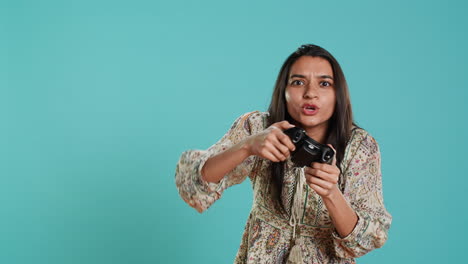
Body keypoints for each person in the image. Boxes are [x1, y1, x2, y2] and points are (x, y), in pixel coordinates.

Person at [174, 44, 392, 263]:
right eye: (298, 82)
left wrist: (331, 193)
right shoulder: (259, 127)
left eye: (324, 84)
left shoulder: (360, 146)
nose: (310, 93)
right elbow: (193, 183)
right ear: (283, 90)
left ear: (338, 94)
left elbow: (368, 238)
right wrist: (247, 146)